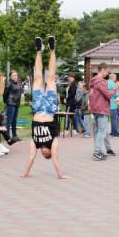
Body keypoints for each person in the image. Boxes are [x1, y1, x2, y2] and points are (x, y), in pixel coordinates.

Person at [21, 36, 68, 179]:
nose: (46, 153)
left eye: (44, 155)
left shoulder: (35, 143)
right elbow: (56, 157)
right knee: (51, 78)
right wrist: (60, 175)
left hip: (37, 107)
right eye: (48, 154)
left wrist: (25, 174)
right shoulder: (53, 141)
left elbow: (30, 157)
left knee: (38, 78)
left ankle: (39, 50)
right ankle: (52, 50)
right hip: (50, 109)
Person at [89, 63, 119, 160]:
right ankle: (97, 153)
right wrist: (115, 88)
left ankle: (105, 149)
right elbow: (109, 95)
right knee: (101, 132)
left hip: (94, 109)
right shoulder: (100, 81)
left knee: (100, 131)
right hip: (101, 109)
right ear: (102, 69)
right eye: (107, 71)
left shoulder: (93, 81)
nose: (107, 73)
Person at [3, 70, 22, 142]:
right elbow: (5, 94)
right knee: (9, 120)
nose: (15, 77)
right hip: (10, 103)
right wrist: (6, 102)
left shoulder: (17, 83)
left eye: (16, 75)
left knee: (15, 120)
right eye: (13, 75)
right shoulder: (9, 83)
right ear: (10, 76)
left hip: (16, 103)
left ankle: (14, 136)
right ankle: (7, 137)